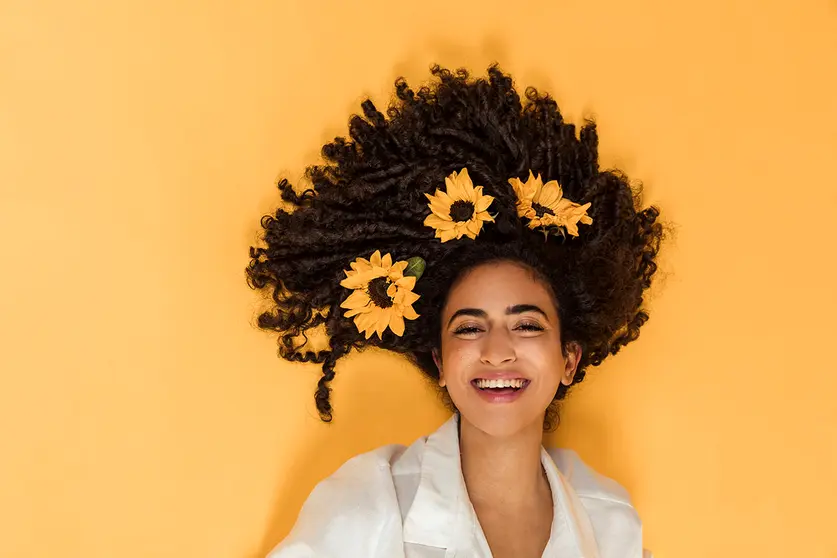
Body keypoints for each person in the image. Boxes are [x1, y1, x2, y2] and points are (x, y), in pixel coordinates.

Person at [247, 64, 663, 558]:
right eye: (469, 328)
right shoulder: (369, 505)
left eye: (526, 324)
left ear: (568, 359)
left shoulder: (610, 521)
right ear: (441, 363)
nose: (496, 351)